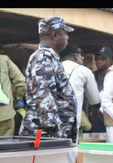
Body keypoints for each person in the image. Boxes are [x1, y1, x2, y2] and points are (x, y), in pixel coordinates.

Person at [20, 16, 77, 146]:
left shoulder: (50, 58)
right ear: (55, 35)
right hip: (45, 136)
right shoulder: (43, 59)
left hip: (49, 135)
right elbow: (44, 99)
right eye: (65, 33)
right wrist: (59, 136)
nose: (67, 37)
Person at [60, 43, 101, 163]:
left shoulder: (53, 67)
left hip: (48, 124)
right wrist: (95, 111)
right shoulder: (83, 71)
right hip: (69, 126)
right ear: (76, 55)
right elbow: (95, 100)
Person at [92, 46, 113, 133]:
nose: (98, 61)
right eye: (97, 59)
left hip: (109, 116)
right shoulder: (92, 75)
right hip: (94, 117)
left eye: (103, 59)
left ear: (110, 61)